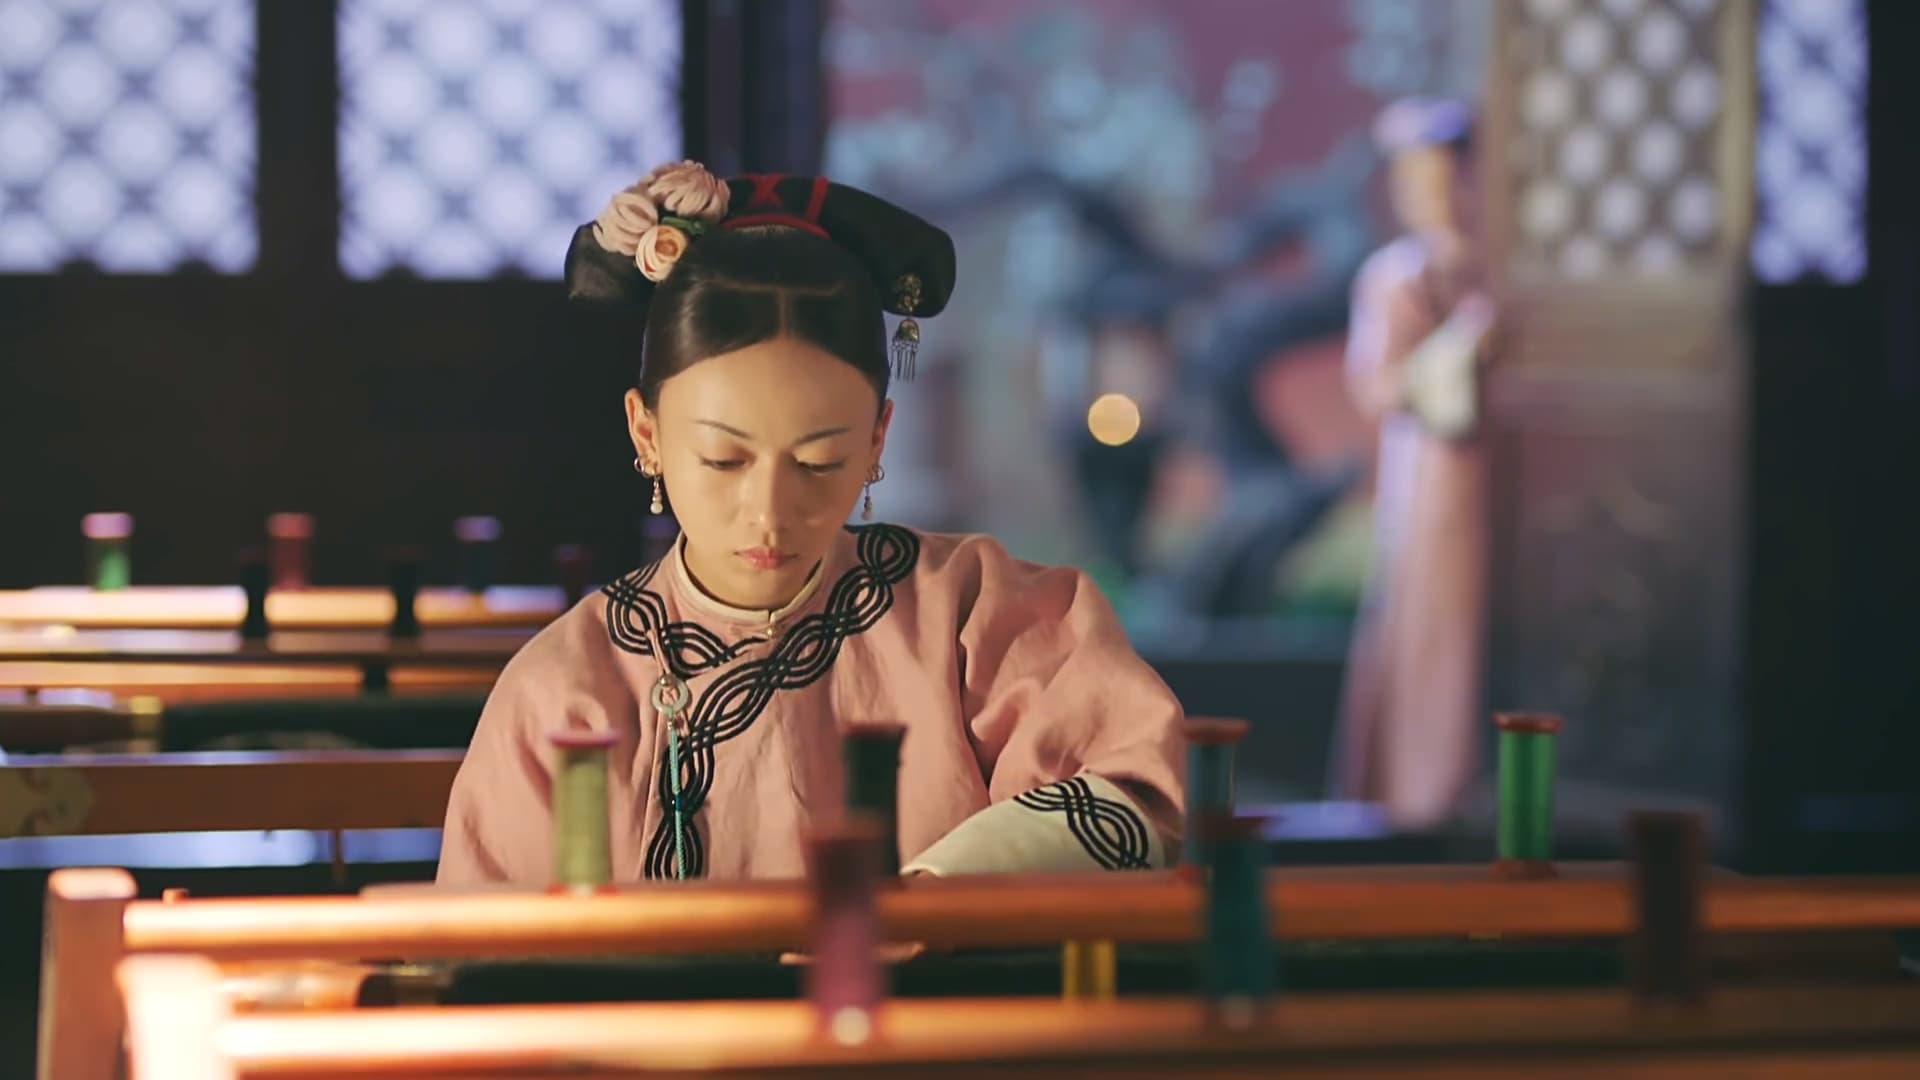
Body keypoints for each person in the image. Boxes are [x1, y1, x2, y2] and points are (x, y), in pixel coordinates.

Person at [437, 162, 1186, 883]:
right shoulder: (565, 688)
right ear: (647, 434)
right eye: (725, 460)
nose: (770, 511)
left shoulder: (971, 615)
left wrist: (927, 900)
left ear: (877, 439)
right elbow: (484, 944)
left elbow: (1132, 789)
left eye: (819, 461)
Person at [1328, 99, 1497, 830]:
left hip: (1505, 479)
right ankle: (1422, 796)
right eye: (1421, 183)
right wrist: (1456, 353)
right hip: (1434, 481)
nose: (1440, 198)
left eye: (1452, 179)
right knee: (1432, 625)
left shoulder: (1499, 271)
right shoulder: (1398, 277)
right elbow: (1377, 386)